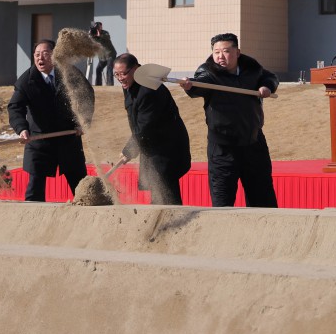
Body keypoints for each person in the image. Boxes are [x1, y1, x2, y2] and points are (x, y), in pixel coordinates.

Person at [180, 33, 278, 207]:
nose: (220, 56)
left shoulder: (251, 67)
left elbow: (269, 77)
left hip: (253, 143)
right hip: (223, 149)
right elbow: (198, 85)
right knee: (222, 203)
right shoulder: (208, 72)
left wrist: (266, 86)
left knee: (263, 200)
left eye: (225, 51)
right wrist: (190, 85)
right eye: (216, 52)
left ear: (237, 52)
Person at [7, 39, 90, 201]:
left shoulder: (70, 74)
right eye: (37, 55)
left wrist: (82, 121)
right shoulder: (26, 81)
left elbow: (87, 95)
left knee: (82, 188)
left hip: (68, 138)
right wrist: (21, 128)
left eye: (45, 54)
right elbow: (15, 107)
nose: (40, 58)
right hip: (39, 140)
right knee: (34, 190)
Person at [113, 53, 191, 205]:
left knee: (167, 195)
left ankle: (173, 225)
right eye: (116, 74)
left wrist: (130, 149)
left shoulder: (148, 90)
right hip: (151, 145)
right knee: (157, 192)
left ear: (136, 69)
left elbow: (146, 126)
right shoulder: (131, 84)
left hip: (166, 148)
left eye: (123, 73)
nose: (120, 78)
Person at [88, 22, 117, 86]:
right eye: (97, 27)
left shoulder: (105, 33)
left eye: (100, 27)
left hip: (110, 55)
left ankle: (110, 85)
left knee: (109, 69)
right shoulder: (93, 35)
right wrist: (90, 34)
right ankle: (98, 85)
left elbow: (107, 38)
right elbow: (90, 41)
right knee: (98, 69)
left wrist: (99, 35)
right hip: (102, 57)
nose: (99, 28)